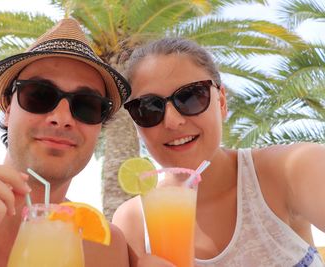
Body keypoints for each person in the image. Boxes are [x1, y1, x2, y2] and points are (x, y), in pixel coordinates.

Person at [0, 18, 131, 267]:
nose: (62, 118)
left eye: (87, 105)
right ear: (8, 109)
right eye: (39, 95)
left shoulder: (106, 246)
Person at [112, 37, 325, 266]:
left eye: (191, 97)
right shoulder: (132, 223)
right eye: (148, 108)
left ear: (222, 102)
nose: (172, 122)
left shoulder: (288, 169)